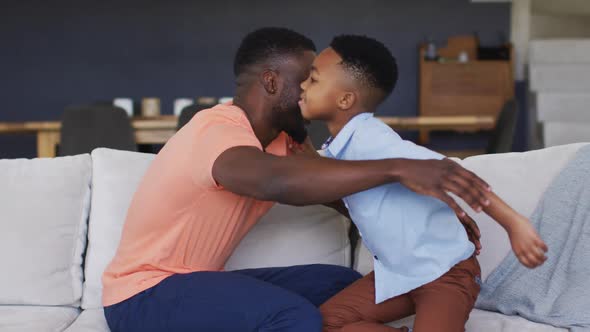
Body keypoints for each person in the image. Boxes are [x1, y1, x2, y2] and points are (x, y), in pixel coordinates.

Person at [102, 28, 493, 332]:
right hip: (142, 297)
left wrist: (431, 218)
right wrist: (398, 167)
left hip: (192, 284)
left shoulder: (284, 140)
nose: (311, 93)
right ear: (271, 82)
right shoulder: (216, 130)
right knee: (294, 318)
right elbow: (275, 180)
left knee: (335, 282)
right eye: (305, 81)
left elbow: (337, 189)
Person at [296, 35, 548, 332]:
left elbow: (448, 171)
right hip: (397, 276)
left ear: (345, 99)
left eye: (312, 80)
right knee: (327, 322)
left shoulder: (372, 139)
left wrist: (513, 223)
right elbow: (316, 172)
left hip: (446, 273)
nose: (302, 86)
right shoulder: (343, 146)